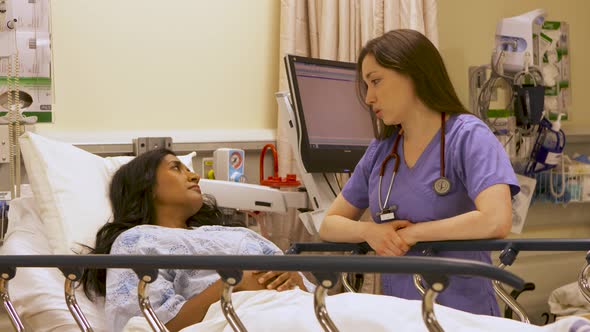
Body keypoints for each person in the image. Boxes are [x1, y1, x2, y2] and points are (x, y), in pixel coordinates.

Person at [318, 29, 520, 316]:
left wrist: (414, 234)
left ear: (413, 73)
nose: (369, 97)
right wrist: (370, 232)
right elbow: (329, 224)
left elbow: (496, 220)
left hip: (463, 314)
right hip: (403, 315)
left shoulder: (468, 136)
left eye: (376, 82)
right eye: (366, 85)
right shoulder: (382, 151)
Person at [80, 148, 314, 332]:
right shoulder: (136, 240)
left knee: (348, 311)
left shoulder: (236, 233)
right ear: (147, 186)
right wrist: (232, 283)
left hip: (302, 307)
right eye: (176, 168)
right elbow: (148, 325)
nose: (195, 175)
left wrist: (294, 276)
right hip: (243, 317)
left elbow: (310, 291)